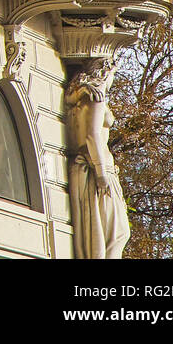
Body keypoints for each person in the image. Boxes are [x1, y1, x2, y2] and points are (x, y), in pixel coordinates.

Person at [65, 57, 130, 258]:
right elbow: (92, 134)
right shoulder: (96, 96)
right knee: (118, 234)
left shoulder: (78, 97)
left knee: (100, 235)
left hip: (85, 166)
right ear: (105, 72)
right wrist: (102, 173)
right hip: (97, 169)